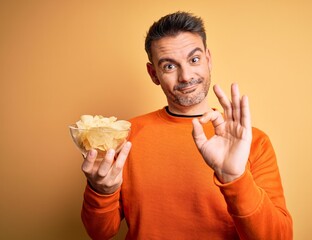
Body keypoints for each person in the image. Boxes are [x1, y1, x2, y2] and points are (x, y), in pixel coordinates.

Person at [80, 11, 293, 240]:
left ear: (208, 59)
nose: (186, 76)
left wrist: (234, 177)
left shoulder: (254, 142)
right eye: (170, 66)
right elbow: (100, 233)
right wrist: (101, 191)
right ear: (154, 74)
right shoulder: (126, 136)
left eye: (194, 60)